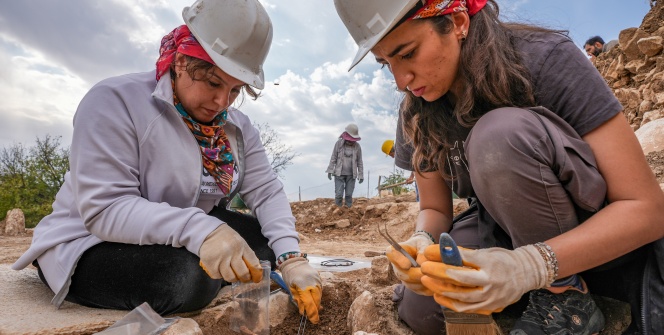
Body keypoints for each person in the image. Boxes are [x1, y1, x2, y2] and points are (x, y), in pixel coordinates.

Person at [334, 1, 664, 334]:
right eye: (384, 63)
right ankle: (524, 298)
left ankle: (566, 298)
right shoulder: (417, 110)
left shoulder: (546, 59)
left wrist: (529, 266)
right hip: (503, 234)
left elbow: (646, 210)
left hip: (594, 236)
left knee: (498, 137)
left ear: (459, 22)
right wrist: (423, 238)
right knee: (424, 307)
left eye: (407, 54)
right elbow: (434, 207)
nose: (401, 80)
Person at [11, 0, 322, 324]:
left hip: (180, 230)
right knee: (185, 279)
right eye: (213, 83)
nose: (221, 102)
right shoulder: (114, 102)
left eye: (235, 89)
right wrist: (203, 231)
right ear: (182, 60)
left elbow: (266, 191)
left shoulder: (236, 128)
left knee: (264, 250)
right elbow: (105, 209)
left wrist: (292, 258)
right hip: (92, 241)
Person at [326, 123, 364, 207]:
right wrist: (330, 170)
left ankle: (348, 212)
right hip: (339, 174)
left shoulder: (357, 147)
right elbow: (333, 157)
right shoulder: (338, 144)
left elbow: (360, 161)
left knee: (348, 195)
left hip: (351, 175)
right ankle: (338, 211)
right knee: (339, 195)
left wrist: (360, 174)